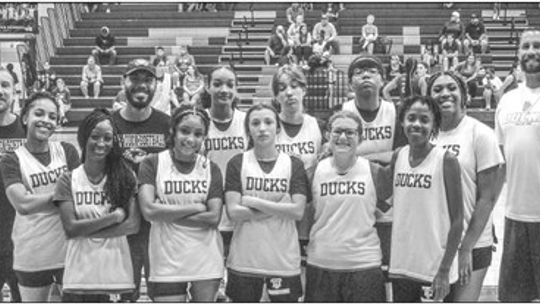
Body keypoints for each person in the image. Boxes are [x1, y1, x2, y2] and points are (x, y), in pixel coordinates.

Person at [428, 71, 505, 301]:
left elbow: (487, 198)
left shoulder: (480, 134)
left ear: (463, 95)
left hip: (472, 244)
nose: (445, 93)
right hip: (436, 243)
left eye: (451, 88)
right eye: (437, 89)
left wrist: (466, 248)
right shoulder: (425, 135)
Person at [138, 105, 224, 302]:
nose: (190, 139)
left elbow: (212, 218)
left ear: (204, 137)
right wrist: (195, 207)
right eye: (185, 131)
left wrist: (166, 213)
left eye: (198, 133)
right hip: (166, 259)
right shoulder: (152, 163)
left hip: (205, 258)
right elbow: (149, 211)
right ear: (173, 131)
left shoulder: (211, 168)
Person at [0, 91, 80, 302]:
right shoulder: (11, 160)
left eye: (52, 117)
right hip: (32, 252)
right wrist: (63, 194)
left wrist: (40, 199)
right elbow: (23, 204)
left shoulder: (67, 150)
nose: (46, 120)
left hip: (69, 250)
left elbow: (80, 195)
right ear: (25, 117)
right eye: (39, 113)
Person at [53, 108, 140, 302]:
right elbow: (70, 229)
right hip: (78, 278)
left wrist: (86, 231)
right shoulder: (68, 180)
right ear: (84, 137)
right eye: (95, 137)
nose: (101, 143)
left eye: (108, 138)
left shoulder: (125, 177)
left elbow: (133, 225)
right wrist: (113, 218)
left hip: (115, 275)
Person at [224, 103, 308, 302]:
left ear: (278, 127)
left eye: (268, 122)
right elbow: (234, 212)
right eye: (255, 123)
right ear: (248, 129)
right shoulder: (237, 162)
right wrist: (280, 206)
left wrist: (252, 201)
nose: (262, 128)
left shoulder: (293, 164)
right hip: (244, 260)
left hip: (283, 261)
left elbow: (297, 212)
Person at [305, 110, 389, 302]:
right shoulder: (314, 171)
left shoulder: (374, 172)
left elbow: (386, 212)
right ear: (328, 135)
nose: (343, 137)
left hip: (364, 265)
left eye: (350, 132)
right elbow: (302, 213)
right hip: (321, 264)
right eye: (337, 131)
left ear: (360, 138)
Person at [389, 95, 463, 302]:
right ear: (402, 121)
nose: (416, 124)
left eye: (424, 120)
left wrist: (444, 270)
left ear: (434, 126)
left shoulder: (446, 160)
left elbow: (457, 221)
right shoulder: (399, 155)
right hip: (402, 265)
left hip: (434, 269)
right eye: (411, 118)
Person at [339, 56, 407, 281]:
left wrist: (358, 155)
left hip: (388, 204)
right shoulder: (341, 112)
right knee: (359, 275)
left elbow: (402, 156)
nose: (365, 75)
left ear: (383, 80)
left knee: (389, 274)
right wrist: (379, 158)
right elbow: (336, 158)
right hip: (352, 203)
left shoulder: (396, 112)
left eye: (371, 71)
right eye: (359, 72)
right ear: (350, 84)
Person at [112, 59, 170, 302]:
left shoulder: (167, 124)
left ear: (155, 85)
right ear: (123, 82)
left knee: (164, 293)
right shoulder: (110, 123)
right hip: (122, 221)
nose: (141, 85)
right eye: (135, 79)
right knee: (126, 293)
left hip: (159, 223)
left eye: (147, 80)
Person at [495, 28, 540, 302]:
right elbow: (502, 158)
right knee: (514, 297)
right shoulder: (507, 100)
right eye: (526, 46)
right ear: (518, 53)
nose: (532, 51)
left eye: (537, 45)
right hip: (515, 215)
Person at [272, 65, 323, 282]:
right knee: (278, 274)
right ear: (276, 96)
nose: (289, 92)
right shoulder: (268, 124)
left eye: (295, 86)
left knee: (304, 273)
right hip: (277, 210)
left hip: (308, 211)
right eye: (282, 88)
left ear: (305, 90)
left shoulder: (316, 125)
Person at [0, 68, 24, 303]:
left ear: (14, 92)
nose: (0, 91)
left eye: (5, 85)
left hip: (21, 240)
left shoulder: (28, 131)